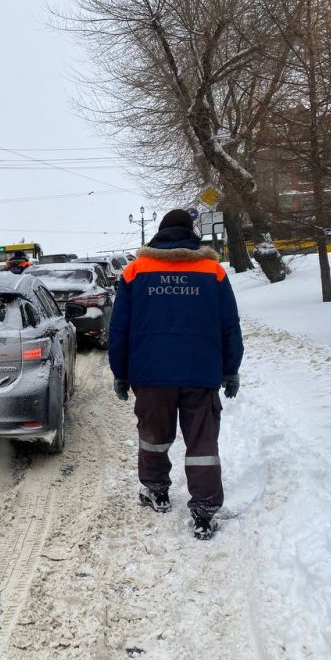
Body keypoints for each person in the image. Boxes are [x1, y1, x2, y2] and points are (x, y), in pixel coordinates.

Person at [107, 209, 243, 540]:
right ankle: (205, 510)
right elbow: (229, 325)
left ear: (160, 233)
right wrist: (230, 369)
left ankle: (156, 490)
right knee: (202, 442)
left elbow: (119, 327)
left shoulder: (135, 271)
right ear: (191, 232)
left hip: (151, 374)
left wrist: (120, 372)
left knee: (154, 436)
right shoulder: (213, 271)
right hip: (201, 372)